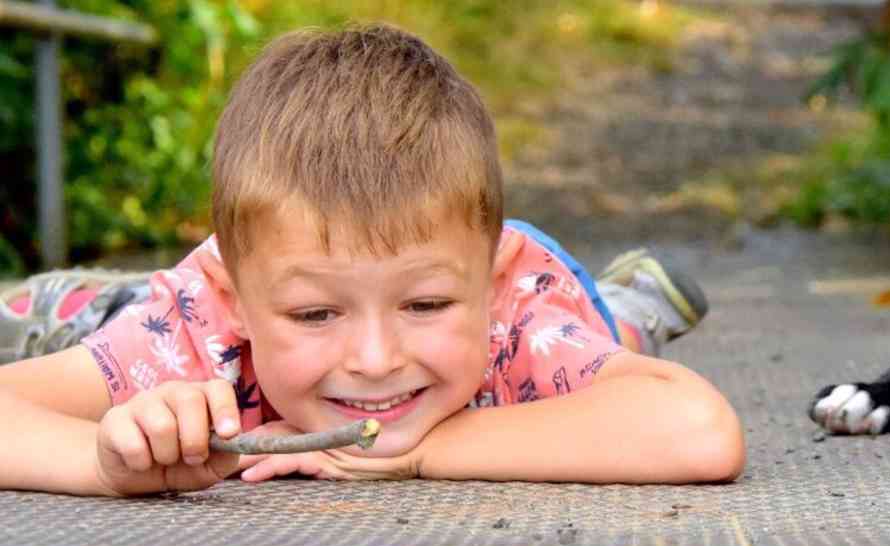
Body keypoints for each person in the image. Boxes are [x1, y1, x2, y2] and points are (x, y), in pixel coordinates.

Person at [0, 24, 744, 497]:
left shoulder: (514, 310)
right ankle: (99, 310)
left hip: (549, 300)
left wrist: (430, 450)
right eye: (314, 314)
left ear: (487, 285)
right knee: (137, 337)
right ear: (234, 298)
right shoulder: (206, 318)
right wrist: (103, 464)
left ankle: (631, 305)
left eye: (424, 306)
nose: (376, 357)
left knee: (593, 343)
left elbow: (695, 428)